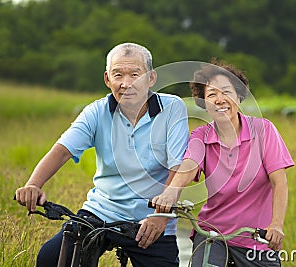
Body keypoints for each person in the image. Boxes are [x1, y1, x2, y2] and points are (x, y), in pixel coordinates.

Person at [15, 42, 189, 267]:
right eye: (118, 75)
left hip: (151, 219)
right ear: (108, 80)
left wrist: (161, 216)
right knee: (50, 258)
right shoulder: (95, 112)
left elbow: (178, 166)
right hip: (102, 211)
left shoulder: (172, 108)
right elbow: (61, 151)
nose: (126, 83)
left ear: (151, 78)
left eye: (135, 74)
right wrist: (33, 184)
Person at [152, 60, 294, 266]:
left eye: (226, 92)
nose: (220, 100)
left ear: (239, 95)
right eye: (211, 95)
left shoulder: (264, 130)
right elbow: (189, 165)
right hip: (212, 234)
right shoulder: (201, 135)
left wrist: (277, 225)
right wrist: (170, 192)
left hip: (256, 238)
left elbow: (279, 182)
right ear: (203, 103)